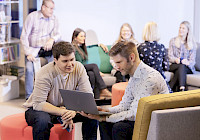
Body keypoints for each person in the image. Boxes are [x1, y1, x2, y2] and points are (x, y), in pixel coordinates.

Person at [80, 41, 169, 140]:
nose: (116, 67)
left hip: (153, 122)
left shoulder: (150, 79)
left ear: (131, 58)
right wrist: (106, 111)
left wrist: (104, 117)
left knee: (120, 128)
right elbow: (124, 106)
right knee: (105, 123)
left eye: (118, 62)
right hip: (140, 117)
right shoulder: (134, 77)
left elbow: (135, 114)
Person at [23, 41, 98, 140]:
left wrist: (72, 111)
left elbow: (88, 96)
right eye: (65, 61)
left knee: (92, 114)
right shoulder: (44, 73)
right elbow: (39, 104)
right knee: (42, 121)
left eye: (72, 59)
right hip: (41, 109)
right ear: (55, 60)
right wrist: (62, 112)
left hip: (67, 108)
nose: (70, 64)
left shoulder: (79, 67)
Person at [20, 0, 61, 99]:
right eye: (50, 8)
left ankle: (52, 96)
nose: (52, 11)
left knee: (57, 68)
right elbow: (24, 36)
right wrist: (28, 53)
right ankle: (29, 97)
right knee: (29, 70)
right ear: (43, 7)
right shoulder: (32, 17)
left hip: (48, 50)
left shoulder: (54, 19)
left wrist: (52, 40)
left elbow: (58, 33)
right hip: (33, 50)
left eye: (53, 9)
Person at [71, 28, 112, 99]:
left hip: (83, 69)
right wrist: (98, 72)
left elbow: (92, 45)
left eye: (84, 36)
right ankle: (103, 89)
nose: (84, 38)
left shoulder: (81, 47)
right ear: (75, 37)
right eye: (81, 36)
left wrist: (100, 44)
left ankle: (95, 97)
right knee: (94, 66)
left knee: (91, 74)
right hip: (77, 69)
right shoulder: (73, 48)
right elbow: (78, 64)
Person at [137, 21, 172, 93]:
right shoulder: (161, 47)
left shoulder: (139, 47)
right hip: (159, 80)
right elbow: (166, 67)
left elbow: (136, 67)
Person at [168, 21, 197, 92]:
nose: (181, 29)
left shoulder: (192, 44)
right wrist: (175, 60)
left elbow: (192, 61)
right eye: (180, 27)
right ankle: (182, 89)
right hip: (174, 65)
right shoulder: (173, 41)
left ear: (188, 31)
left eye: (183, 28)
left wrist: (187, 62)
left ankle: (169, 89)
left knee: (182, 66)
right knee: (181, 66)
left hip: (187, 67)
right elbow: (170, 56)